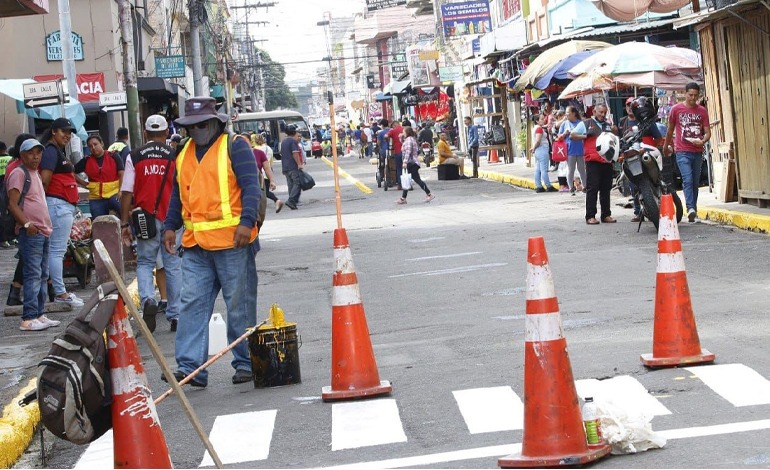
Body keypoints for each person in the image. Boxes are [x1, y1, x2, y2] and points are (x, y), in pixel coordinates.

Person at [163, 96, 261, 386]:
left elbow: (251, 187)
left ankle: (245, 362)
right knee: (191, 303)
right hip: (195, 245)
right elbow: (178, 194)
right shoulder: (183, 152)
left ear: (216, 123)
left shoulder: (235, 146)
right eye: (191, 127)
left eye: (202, 125)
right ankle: (190, 368)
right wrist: (170, 226)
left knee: (239, 306)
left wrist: (247, 222)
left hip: (233, 243)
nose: (196, 131)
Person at [120, 115, 181, 333]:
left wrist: (124, 222)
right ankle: (175, 315)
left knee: (145, 262)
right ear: (166, 133)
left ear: (145, 133)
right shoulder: (174, 156)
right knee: (173, 265)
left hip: (145, 219)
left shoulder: (134, 156)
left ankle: (148, 300)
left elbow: (127, 191)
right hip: (172, 218)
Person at [6, 139, 59, 331]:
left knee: (43, 274)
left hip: (42, 231)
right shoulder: (19, 173)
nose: (36, 157)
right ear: (22, 155)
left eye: (38, 153)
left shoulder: (34, 173)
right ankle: (28, 318)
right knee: (33, 274)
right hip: (31, 232)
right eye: (31, 153)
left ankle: (39, 313)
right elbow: (12, 204)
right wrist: (27, 224)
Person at [40, 118, 84, 307]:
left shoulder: (56, 151)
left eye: (69, 132)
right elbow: (44, 181)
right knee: (57, 251)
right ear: (53, 131)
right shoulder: (51, 151)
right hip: (57, 205)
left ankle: (58, 291)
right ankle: (60, 293)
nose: (67, 135)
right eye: (63, 131)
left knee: (55, 250)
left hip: (61, 205)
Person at [663, 82, 710, 223]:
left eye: (696, 95)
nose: (693, 98)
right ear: (685, 94)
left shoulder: (702, 111)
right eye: (690, 95)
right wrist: (666, 146)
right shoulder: (676, 109)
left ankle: (692, 210)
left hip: (697, 151)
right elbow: (670, 130)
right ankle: (690, 208)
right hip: (682, 151)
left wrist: (703, 141)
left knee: (695, 182)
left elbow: (707, 132)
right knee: (687, 179)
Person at [570, 103, 616, 225]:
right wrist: (585, 136)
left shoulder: (608, 125)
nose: (602, 115)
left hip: (607, 160)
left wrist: (614, 130)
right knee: (592, 188)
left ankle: (606, 215)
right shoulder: (586, 123)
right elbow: (572, 135)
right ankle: (590, 216)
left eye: (604, 112)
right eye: (600, 112)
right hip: (593, 161)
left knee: (606, 188)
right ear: (594, 112)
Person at [75, 135, 124, 218]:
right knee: (99, 222)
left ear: (101, 144)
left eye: (95, 144)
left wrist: (121, 190)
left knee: (125, 214)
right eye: (90, 146)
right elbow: (71, 171)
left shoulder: (113, 156)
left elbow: (122, 173)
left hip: (114, 194)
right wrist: (83, 183)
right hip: (96, 198)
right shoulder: (86, 160)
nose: (93, 148)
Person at [396, 127, 434, 204]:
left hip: (412, 163)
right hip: (413, 163)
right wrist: (401, 137)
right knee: (410, 180)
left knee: (413, 180)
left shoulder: (409, 140)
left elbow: (408, 152)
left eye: (404, 132)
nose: (403, 133)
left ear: (407, 132)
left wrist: (405, 162)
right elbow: (403, 143)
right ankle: (403, 198)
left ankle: (429, 194)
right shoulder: (409, 139)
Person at [558, 106, 588, 196]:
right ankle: (571, 187)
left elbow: (586, 134)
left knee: (582, 169)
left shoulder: (581, 123)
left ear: (574, 113)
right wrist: (565, 134)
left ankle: (585, 187)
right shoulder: (564, 124)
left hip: (580, 149)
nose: (566, 115)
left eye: (568, 113)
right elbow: (559, 138)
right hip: (570, 150)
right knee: (571, 169)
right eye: (566, 113)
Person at [253, 133, 284, 212]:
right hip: (268, 171)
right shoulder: (268, 148)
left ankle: (276, 200)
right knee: (264, 191)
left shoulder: (255, 150)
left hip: (260, 173)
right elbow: (270, 161)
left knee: (262, 192)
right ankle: (276, 201)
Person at [531, 114, 557, 193]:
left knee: (538, 169)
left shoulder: (536, 128)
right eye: (541, 119)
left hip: (538, 151)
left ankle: (539, 186)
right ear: (537, 121)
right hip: (542, 150)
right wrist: (534, 148)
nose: (543, 120)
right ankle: (548, 185)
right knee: (544, 170)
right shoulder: (539, 129)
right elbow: (538, 141)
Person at [280, 125, 304, 210]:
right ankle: (291, 200)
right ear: (294, 132)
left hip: (285, 166)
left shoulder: (284, 141)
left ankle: (292, 201)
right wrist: (299, 164)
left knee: (290, 184)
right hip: (292, 166)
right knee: (297, 183)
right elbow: (295, 153)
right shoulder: (293, 141)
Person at [387, 119, 405, 188]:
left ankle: (400, 184)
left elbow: (386, 136)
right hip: (406, 152)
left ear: (394, 125)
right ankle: (408, 183)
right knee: (406, 168)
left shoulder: (393, 131)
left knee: (399, 168)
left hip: (398, 152)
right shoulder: (405, 129)